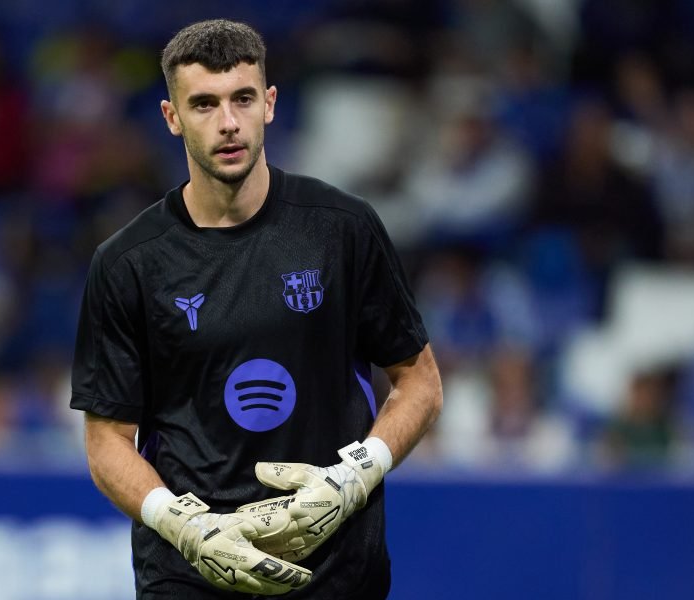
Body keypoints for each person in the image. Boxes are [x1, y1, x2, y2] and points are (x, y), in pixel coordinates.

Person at [71, 19, 443, 599]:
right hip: (189, 576)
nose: (228, 122)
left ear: (269, 104)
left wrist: (353, 476)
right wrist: (185, 528)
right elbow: (106, 441)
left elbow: (419, 382)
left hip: (336, 573)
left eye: (242, 99)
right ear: (172, 117)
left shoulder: (342, 229)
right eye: (204, 104)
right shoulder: (128, 263)